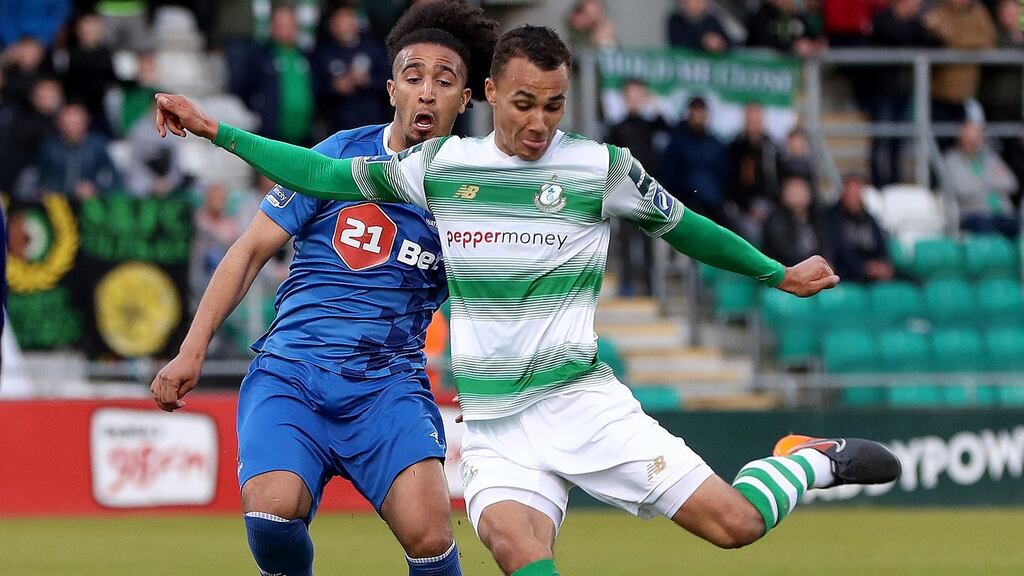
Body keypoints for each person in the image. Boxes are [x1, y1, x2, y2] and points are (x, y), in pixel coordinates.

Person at [153, 25, 902, 576]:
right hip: (494, 426)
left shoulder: (601, 167)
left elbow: (686, 226)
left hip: (580, 400)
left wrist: (776, 273)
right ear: (489, 98)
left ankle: (804, 460)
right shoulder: (441, 169)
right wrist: (216, 130)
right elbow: (319, 178)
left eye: (553, 105)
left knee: (735, 527)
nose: (540, 122)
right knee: (516, 552)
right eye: (523, 104)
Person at [149, 3, 499, 576]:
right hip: (293, 373)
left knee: (431, 539)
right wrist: (192, 349)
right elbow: (249, 251)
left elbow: (491, 299)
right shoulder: (339, 154)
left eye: (445, 80)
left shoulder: (473, 194)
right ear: (391, 89)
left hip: (388, 388)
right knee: (272, 515)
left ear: (466, 99)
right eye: (414, 78)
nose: (427, 93)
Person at [606, 79, 668, 297]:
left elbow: (668, 125)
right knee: (626, 241)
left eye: (638, 95)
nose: (635, 99)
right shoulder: (617, 127)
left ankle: (651, 286)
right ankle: (627, 283)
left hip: (648, 193)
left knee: (648, 241)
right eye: (631, 94)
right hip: (624, 191)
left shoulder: (650, 125)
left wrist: (655, 103)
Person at [313, 2, 391, 133]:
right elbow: (316, 88)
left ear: (355, 22)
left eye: (347, 20)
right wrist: (335, 87)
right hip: (339, 128)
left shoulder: (372, 47)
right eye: (339, 21)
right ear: (332, 25)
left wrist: (368, 80)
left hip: (374, 124)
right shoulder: (324, 53)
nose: (343, 26)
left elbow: (390, 79)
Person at [945, 121, 1020, 237]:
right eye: (970, 140)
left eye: (978, 139)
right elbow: (963, 190)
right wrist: (993, 181)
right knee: (985, 224)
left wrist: (980, 182)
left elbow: (1011, 183)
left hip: (1002, 213)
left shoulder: (990, 157)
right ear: (961, 139)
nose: (974, 143)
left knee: (1017, 223)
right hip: (974, 214)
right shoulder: (952, 160)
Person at [661, 96, 727, 225]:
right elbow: (668, 175)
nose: (698, 117)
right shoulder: (677, 143)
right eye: (695, 112)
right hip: (683, 207)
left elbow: (723, 178)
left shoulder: (715, 145)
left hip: (713, 209)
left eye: (701, 112)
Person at [828, 173, 895, 282]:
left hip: (872, 271)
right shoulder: (832, 218)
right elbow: (838, 250)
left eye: (857, 192)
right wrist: (864, 268)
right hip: (847, 271)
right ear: (843, 193)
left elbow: (881, 246)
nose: (854, 196)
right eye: (851, 193)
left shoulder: (870, 219)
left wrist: (882, 265)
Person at [667, 0, 731, 53]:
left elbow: (729, 42)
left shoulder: (712, 20)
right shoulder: (676, 20)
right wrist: (704, 42)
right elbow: (678, 43)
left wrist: (720, 44)